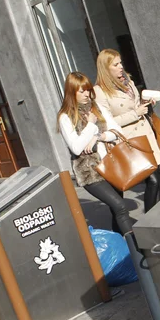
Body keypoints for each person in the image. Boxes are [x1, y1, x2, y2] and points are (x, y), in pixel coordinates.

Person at [58, 72, 136, 235]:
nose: (87, 94)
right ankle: (136, 249)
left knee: (117, 210)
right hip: (89, 173)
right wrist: (92, 126)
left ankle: (123, 247)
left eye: (88, 90)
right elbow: (77, 148)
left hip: (111, 166)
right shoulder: (66, 117)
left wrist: (99, 137)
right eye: (81, 91)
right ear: (71, 92)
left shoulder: (96, 108)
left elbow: (116, 130)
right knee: (120, 206)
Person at [94, 49, 160, 212]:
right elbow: (105, 123)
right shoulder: (99, 91)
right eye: (116, 64)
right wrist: (135, 114)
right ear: (106, 68)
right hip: (130, 140)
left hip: (145, 134)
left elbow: (136, 106)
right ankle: (150, 219)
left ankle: (159, 216)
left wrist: (145, 105)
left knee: (156, 179)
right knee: (152, 179)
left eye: (121, 63)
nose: (121, 67)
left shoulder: (128, 82)